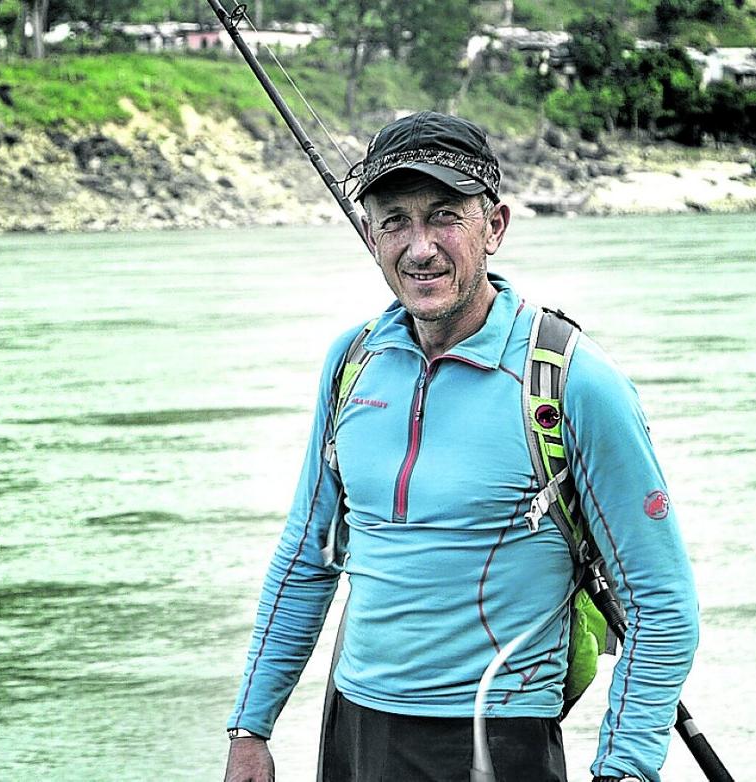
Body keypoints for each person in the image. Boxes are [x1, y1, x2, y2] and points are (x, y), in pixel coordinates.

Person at [223, 111, 699, 782]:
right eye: (395, 221)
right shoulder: (352, 363)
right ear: (371, 236)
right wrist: (251, 728)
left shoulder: (571, 380)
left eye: (444, 216)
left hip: (499, 741)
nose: (420, 248)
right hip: (355, 730)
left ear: (494, 226)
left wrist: (625, 766)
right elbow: (308, 555)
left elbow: (661, 604)